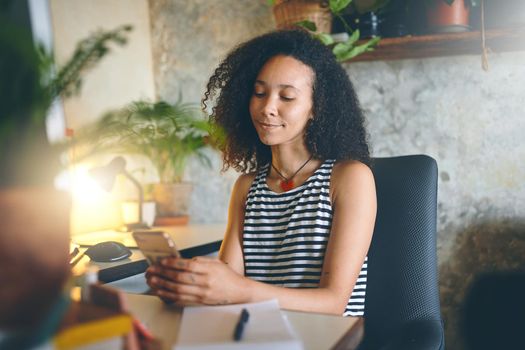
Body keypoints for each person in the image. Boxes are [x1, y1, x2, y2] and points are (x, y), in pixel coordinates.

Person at [146, 29, 376, 316]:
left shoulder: (349, 178)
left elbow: (333, 303)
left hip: (327, 338)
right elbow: (225, 286)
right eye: (259, 93)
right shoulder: (247, 187)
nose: (267, 107)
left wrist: (238, 290)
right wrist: (186, 284)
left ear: (316, 107)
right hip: (259, 335)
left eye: (287, 97)